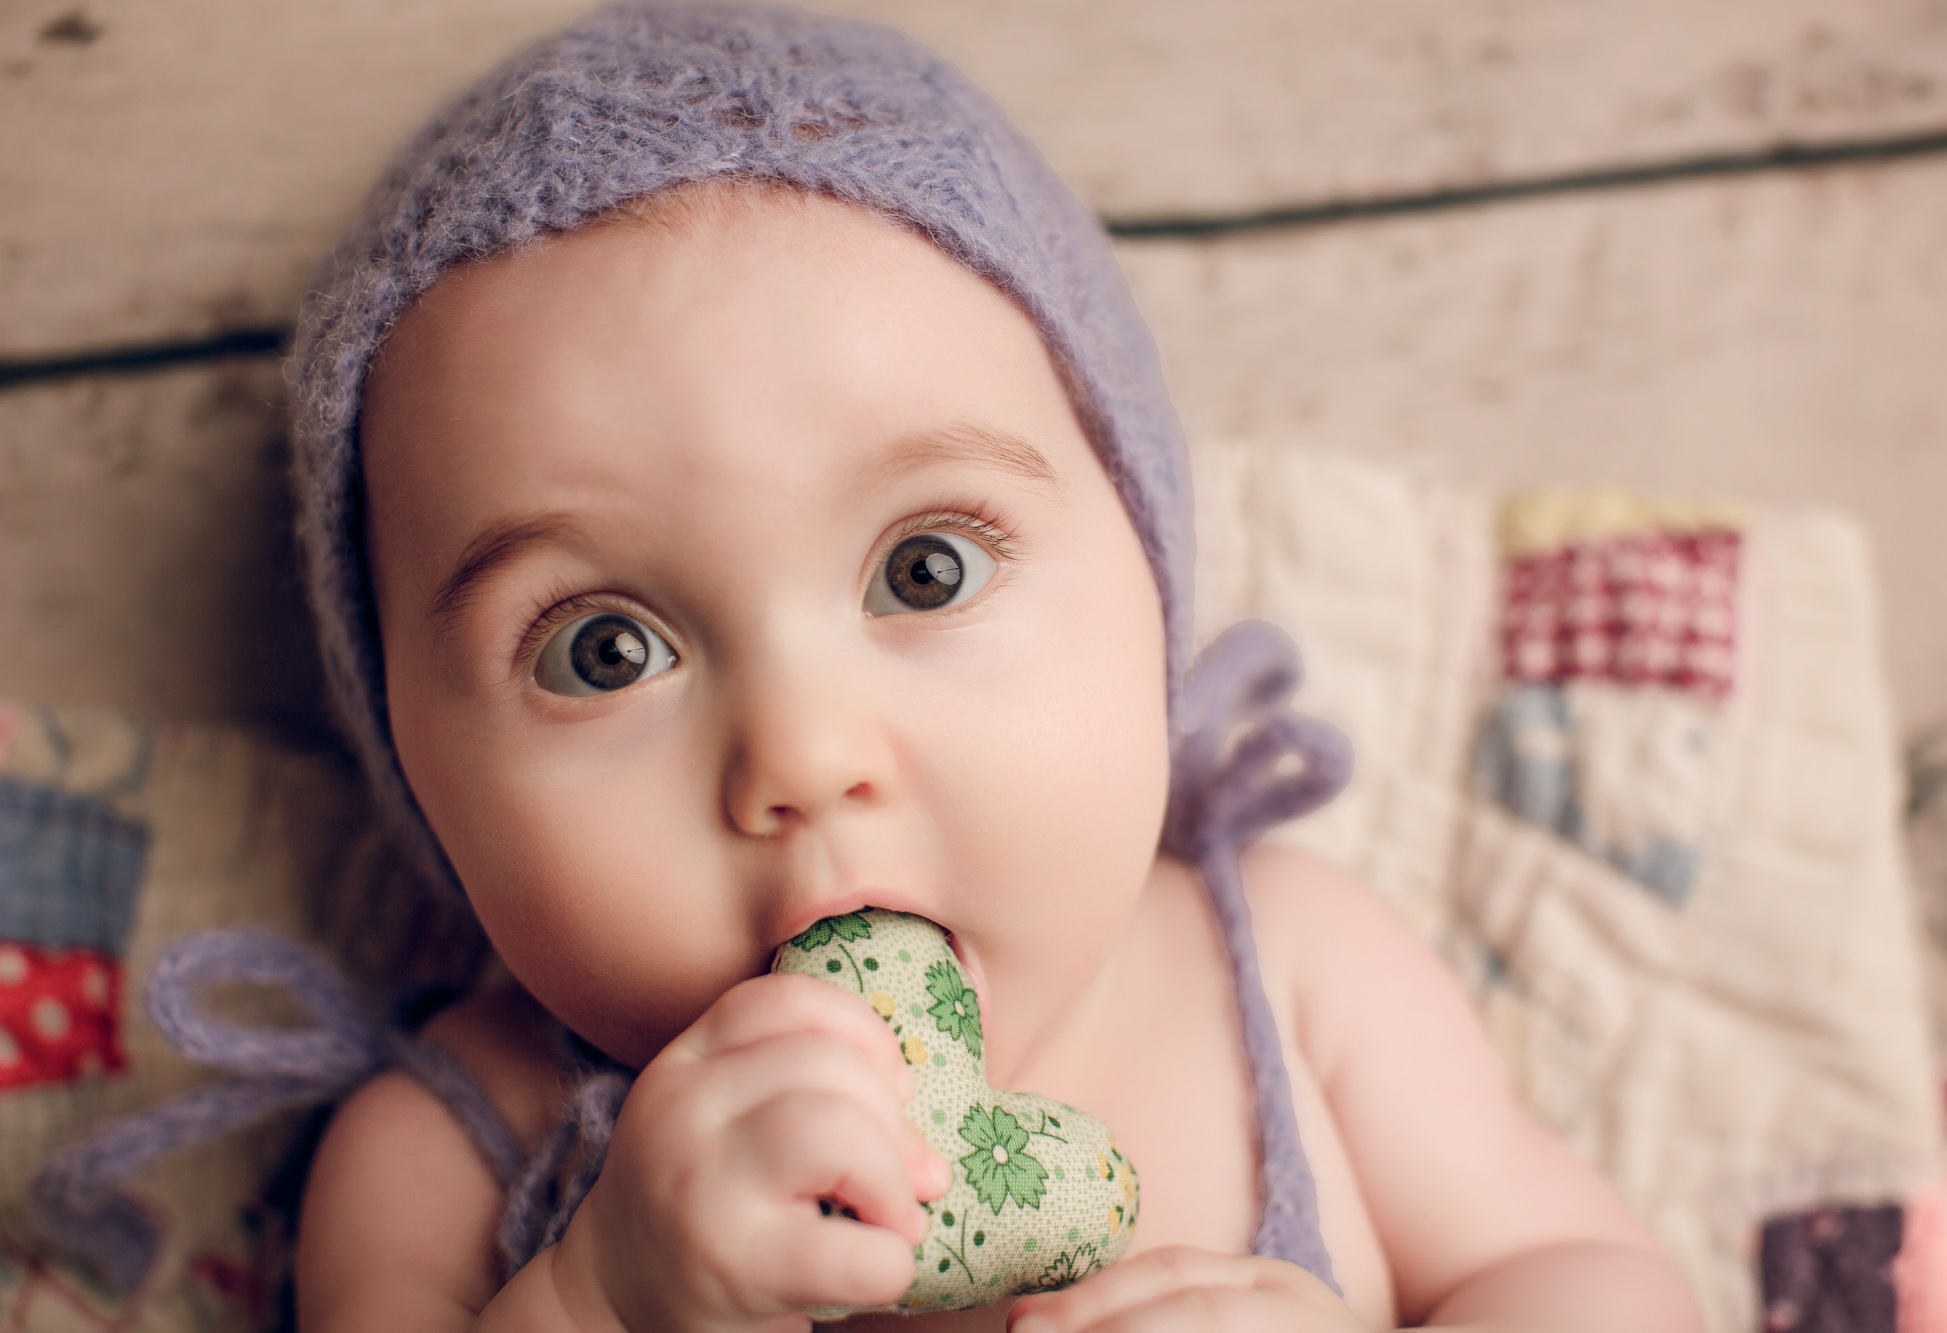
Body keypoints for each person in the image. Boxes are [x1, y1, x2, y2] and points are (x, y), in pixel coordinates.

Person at [272, 5, 1703, 1330]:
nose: (802, 752)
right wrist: (600, 1301)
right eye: (605, 649)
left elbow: (1608, 1287)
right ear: (413, 763)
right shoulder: (446, 1153)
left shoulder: (1294, 971)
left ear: (1151, 578)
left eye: (926, 569)